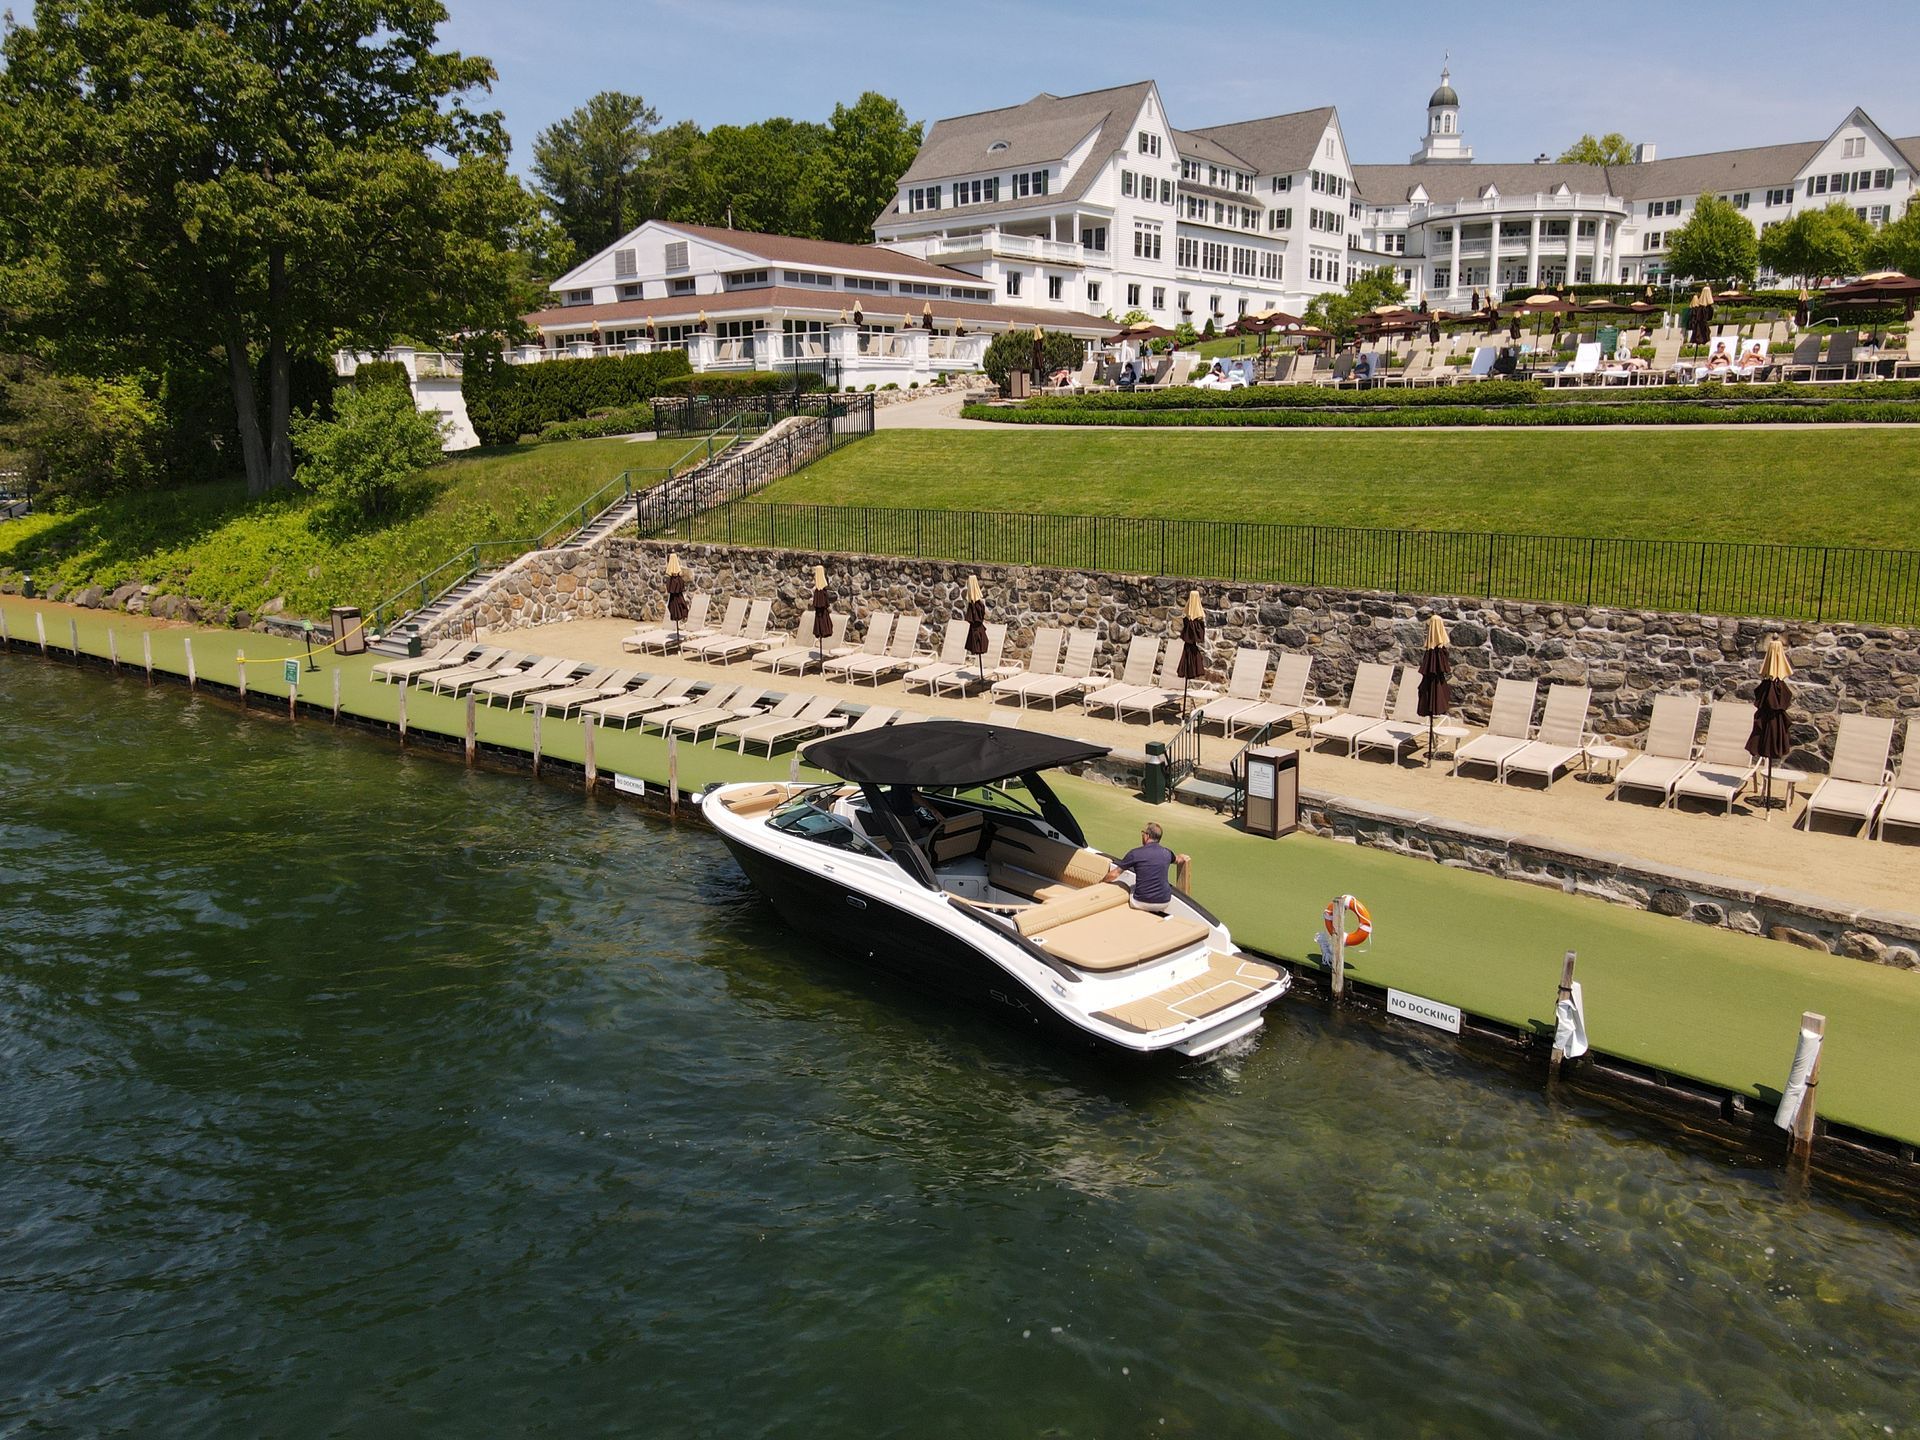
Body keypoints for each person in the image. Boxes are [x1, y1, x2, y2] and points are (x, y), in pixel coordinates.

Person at [1106, 821, 1187, 914]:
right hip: (1164, 902)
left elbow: (1114, 874)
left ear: (1147, 836)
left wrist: (1101, 882)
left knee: (1126, 885)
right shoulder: (1168, 853)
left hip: (1141, 902)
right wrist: (1182, 857)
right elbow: (1178, 860)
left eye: (1143, 833)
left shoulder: (1135, 853)